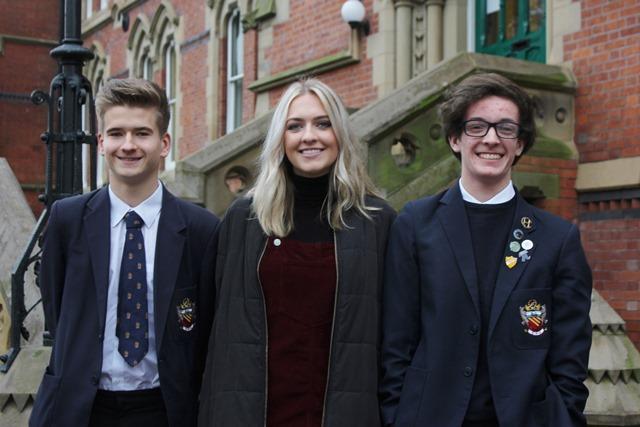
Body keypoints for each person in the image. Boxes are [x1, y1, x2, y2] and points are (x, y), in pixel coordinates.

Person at [380, 73, 592, 427]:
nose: (492, 139)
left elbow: (570, 356)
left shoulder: (558, 239)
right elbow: (395, 344)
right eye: (477, 126)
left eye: (506, 128)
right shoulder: (416, 224)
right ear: (455, 138)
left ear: (520, 144)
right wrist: (396, 416)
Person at [198, 78, 395, 427]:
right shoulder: (244, 219)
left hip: (344, 411)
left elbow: (395, 336)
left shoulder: (377, 222)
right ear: (280, 139)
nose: (309, 136)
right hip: (254, 411)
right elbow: (217, 330)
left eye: (323, 124)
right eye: (295, 126)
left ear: (340, 135)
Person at [30, 78, 219, 427]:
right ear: (101, 143)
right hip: (80, 409)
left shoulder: (201, 229)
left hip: (163, 409)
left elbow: (204, 325)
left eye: (141, 133)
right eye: (116, 133)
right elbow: (59, 310)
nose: (128, 145)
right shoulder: (67, 219)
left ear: (164, 144)